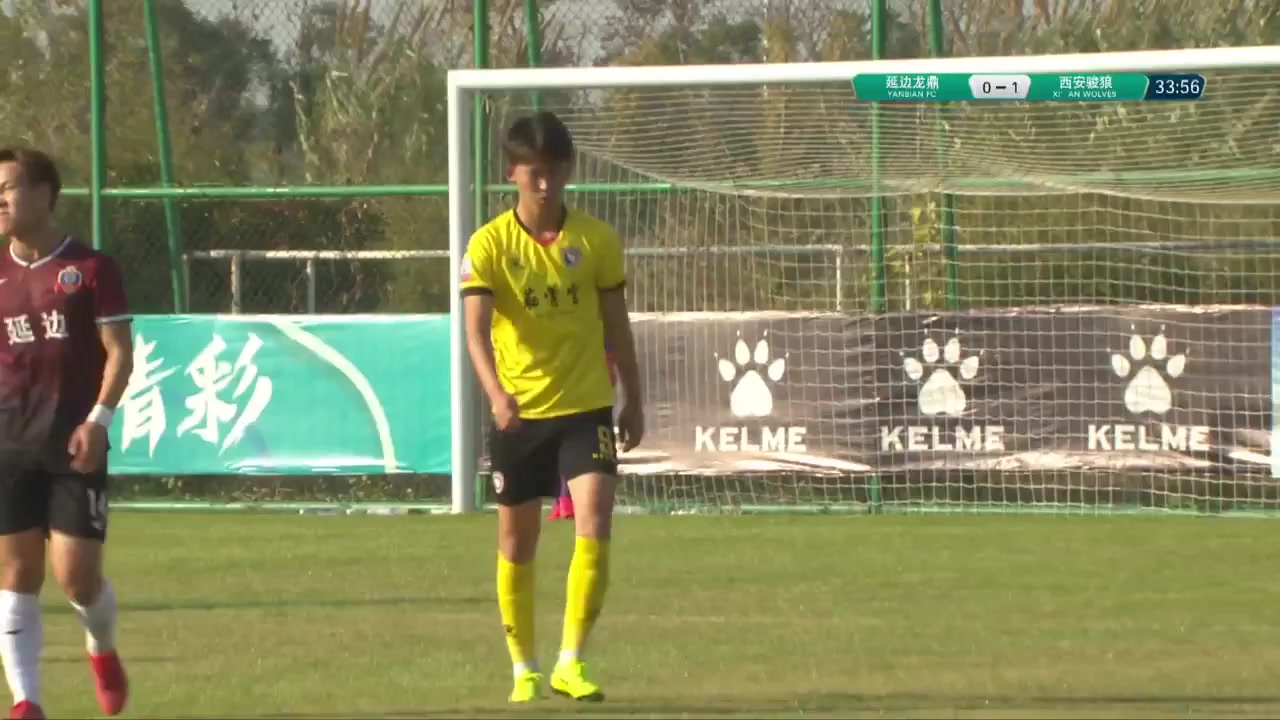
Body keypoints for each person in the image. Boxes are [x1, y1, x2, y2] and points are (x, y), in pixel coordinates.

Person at [461, 111, 644, 704]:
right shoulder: (488, 244)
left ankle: (572, 662)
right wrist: (496, 394)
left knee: (596, 521)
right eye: (535, 172)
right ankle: (524, 668)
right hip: (520, 416)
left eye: (557, 171)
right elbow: (475, 332)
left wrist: (634, 397)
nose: (547, 183)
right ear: (512, 172)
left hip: (586, 406)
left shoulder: (595, 240)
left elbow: (617, 325)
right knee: (518, 542)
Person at [0, 147, 133, 719]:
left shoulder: (91, 268)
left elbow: (120, 353)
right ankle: (27, 701)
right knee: (16, 573)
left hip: (74, 443)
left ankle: (101, 648)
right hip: (8, 442)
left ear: (44, 194)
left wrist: (98, 421)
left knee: (77, 580)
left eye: (7, 187)